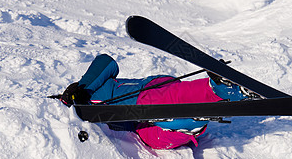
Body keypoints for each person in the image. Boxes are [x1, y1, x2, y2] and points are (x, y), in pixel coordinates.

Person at [60, 54, 256, 149]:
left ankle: (222, 91)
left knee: (159, 101)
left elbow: (106, 61)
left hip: (144, 94)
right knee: (163, 134)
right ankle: (195, 119)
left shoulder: (93, 86)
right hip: (140, 127)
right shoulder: (72, 113)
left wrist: (83, 87)